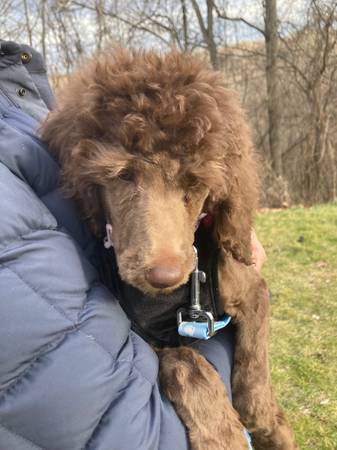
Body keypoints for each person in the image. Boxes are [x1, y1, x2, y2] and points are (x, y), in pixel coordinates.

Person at [0, 41, 266, 450]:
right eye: (124, 176)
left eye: (192, 182)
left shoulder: (22, 98)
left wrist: (256, 394)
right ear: (82, 182)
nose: (165, 262)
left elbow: (253, 287)